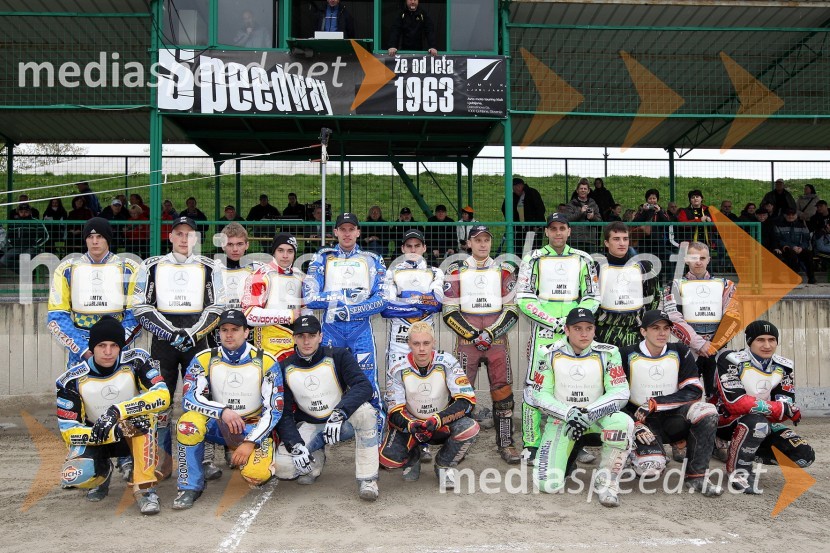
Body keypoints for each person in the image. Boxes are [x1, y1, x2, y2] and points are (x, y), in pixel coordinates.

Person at [131, 216, 226, 476]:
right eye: (179, 234)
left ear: (196, 238)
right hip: (163, 345)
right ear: (170, 236)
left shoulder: (211, 267)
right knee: (160, 402)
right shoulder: (151, 266)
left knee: (200, 400)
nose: (184, 239)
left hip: (198, 343)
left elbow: (218, 306)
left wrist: (193, 334)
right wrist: (170, 332)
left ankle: (202, 461)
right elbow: (139, 306)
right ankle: (161, 461)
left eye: (189, 234)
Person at [56, 317, 170, 514]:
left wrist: (117, 412)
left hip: (130, 430)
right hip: (96, 435)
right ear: (92, 347)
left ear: (121, 347)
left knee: (144, 421)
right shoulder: (70, 380)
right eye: (101, 345)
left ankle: (144, 489)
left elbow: (162, 395)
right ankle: (100, 475)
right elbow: (68, 430)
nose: (108, 352)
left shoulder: (136, 360)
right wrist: (110, 431)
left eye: (114, 345)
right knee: (75, 475)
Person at [173, 309, 283, 509]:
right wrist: (222, 411)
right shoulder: (204, 358)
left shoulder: (266, 361)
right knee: (187, 424)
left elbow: (274, 410)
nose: (229, 334)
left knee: (256, 475)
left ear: (246, 332)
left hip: (252, 427)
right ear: (219, 333)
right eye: (224, 330)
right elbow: (189, 398)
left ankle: (258, 453)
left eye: (235, 329)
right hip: (220, 424)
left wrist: (251, 441)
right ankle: (189, 486)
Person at [527, 308, 633, 506]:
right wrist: (569, 413)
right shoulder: (547, 353)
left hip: (597, 418)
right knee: (547, 484)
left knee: (622, 422)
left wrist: (589, 413)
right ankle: (568, 460)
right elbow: (539, 394)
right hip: (563, 420)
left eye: (589, 328)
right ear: (567, 330)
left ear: (594, 330)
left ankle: (607, 483)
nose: (584, 333)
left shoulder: (609, 353)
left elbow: (620, 392)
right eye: (577, 328)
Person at [517, 213, 599, 463]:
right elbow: (523, 296)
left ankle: (576, 441)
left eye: (562, 228)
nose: (558, 233)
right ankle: (531, 443)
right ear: (546, 232)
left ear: (569, 231)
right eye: (553, 229)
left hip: (576, 331)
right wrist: (553, 322)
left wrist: (574, 321)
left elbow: (593, 295)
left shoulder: (583, 258)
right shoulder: (533, 258)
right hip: (544, 332)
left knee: (574, 385)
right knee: (535, 383)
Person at [274, 315, 380, 501]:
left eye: (311, 335)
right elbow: (283, 413)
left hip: (341, 423)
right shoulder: (284, 367)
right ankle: (316, 457)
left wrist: (340, 413)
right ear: (294, 338)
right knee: (284, 468)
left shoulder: (339, 355)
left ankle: (368, 478)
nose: (306, 341)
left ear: (320, 337)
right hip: (311, 424)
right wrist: (295, 444)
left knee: (367, 413)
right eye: (301, 336)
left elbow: (364, 387)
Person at [620, 310, 722, 496]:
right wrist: (633, 424)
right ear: (643, 331)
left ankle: (696, 476)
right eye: (655, 328)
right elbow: (617, 397)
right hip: (643, 422)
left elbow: (693, 390)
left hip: (674, 418)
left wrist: (655, 403)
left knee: (708, 411)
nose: (662, 333)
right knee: (649, 469)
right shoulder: (626, 353)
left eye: (666, 328)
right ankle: (636, 455)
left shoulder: (680, 351)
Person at [303, 213, 388, 435]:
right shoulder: (323, 257)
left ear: (358, 232)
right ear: (336, 232)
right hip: (331, 331)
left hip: (361, 331)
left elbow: (383, 299)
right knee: (326, 386)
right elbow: (310, 296)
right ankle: (319, 441)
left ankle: (374, 440)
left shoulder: (373, 259)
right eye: (343, 229)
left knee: (368, 385)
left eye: (352, 229)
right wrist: (341, 298)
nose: (347, 233)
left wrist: (349, 310)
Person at [443, 225, 521, 464]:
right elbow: (448, 310)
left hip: (496, 339)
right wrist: (473, 333)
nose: (483, 244)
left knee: (503, 392)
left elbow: (512, 308)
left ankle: (506, 444)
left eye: (487, 240)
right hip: (466, 340)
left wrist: (490, 332)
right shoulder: (455, 269)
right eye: (478, 240)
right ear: (469, 244)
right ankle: (458, 443)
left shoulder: (504, 270)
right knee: (461, 393)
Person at [713, 320, 814, 493]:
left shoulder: (784, 366)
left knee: (804, 456)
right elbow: (736, 403)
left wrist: (781, 410)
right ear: (750, 341)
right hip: (723, 421)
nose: (767, 345)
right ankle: (739, 472)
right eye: (760, 340)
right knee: (756, 422)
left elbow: (785, 406)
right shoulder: (730, 359)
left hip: (763, 422)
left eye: (771, 340)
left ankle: (742, 451)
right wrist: (780, 409)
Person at [380, 322, 478, 488]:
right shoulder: (396, 369)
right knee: (387, 460)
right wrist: (412, 425)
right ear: (409, 344)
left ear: (434, 342)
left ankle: (444, 464)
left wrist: (438, 419)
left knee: (470, 428)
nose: (421, 349)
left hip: (441, 423)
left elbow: (467, 401)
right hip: (413, 425)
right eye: (416, 344)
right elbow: (394, 412)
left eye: (426, 343)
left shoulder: (447, 362)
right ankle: (414, 456)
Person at [47, 218, 140, 369]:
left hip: (116, 348)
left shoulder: (129, 268)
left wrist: (115, 344)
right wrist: (84, 350)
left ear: (108, 238)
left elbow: (136, 312)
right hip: (81, 348)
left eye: (100, 236)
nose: (94, 241)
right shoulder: (67, 269)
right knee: (80, 391)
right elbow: (56, 316)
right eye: (90, 237)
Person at [662, 241, 741, 399]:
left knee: (718, 396)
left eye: (702, 257)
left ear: (708, 260)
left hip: (718, 348)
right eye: (694, 257)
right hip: (689, 349)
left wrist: (714, 344)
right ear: (685, 259)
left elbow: (733, 316)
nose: (698, 261)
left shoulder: (726, 285)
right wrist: (700, 344)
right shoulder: (674, 286)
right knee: (688, 395)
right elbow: (673, 319)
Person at [381, 228, 444, 389]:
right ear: (403, 249)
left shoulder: (435, 272)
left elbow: (436, 303)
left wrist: (404, 300)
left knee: (425, 388)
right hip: (399, 341)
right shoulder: (391, 273)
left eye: (417, 245)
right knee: (396, 388)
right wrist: (420, 304)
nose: (413, 250)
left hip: (425, 341)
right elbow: (386, 308)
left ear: (424, 248)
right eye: (409, 246)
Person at [242, 233, 306, 362]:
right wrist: (289, 315)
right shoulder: (260, 275)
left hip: (296, 344)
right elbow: (249, 315)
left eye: (290, 251)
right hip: (269, 346)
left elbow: (306, 312)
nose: (285, 255)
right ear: (274, 252)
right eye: (280, 250)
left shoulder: (301, 276)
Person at [595, 222, 660, 348]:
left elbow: (654, 297)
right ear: (606, 243)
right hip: (603, 333)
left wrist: (647, 325)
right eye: (616, 239)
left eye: (625, 239)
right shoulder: (596, 267)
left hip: (634, 333)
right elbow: (590, 298)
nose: (622, 243)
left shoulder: (644, 266)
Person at [502, 177, 546, 252]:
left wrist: (537, 225)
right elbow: (504, 208)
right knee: (517, 249)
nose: (515, 189)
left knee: (532, 250)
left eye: (516, 187)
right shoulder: (512, 196)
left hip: (534, 228)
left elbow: (540, 209)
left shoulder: (532, 193)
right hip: (520, 229)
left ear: (521, 186)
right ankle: (518, 263)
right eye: (513, 188)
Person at [773, 208, 816, 284]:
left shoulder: (802, 226)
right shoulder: (778, 226)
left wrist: (801, 247)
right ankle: (793, 280)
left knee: (808, 254)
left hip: (799, 248)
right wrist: (792, 246)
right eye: (788, 215)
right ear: (784, 216)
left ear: (796, 216)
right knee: (792, 255)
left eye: (793, 215)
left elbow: (806, 239)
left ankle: (811, 279)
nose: (791, 216)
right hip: (785, 249)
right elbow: (778, 239)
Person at [0, 203, 48, 270]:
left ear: (30, 212)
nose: (24, 213)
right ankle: (23, 272)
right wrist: (12, 244)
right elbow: (8, 236)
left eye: (26, 212)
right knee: (3, 260)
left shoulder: (36, 222)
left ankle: (27, 273)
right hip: (16, 248)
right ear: (18, 212)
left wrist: (35, 245)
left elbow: (45, 236)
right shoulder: (14, 223)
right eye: (21, 212)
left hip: (31, 248)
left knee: (25, 259)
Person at [565, 178, 603, 251]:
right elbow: (567, 219)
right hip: (574, 240)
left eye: (585, 189)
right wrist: (580, 212)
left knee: (589, 262)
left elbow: (600, 221)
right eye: (581, 188)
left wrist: (592, 217)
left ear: (588, 191)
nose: (583, 190)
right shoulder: (571, 204)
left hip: (590, 240)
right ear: (577, 190)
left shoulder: (593, 204)